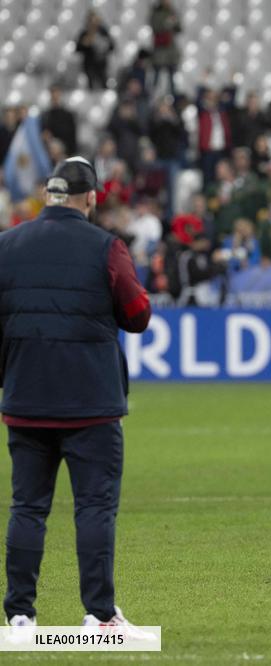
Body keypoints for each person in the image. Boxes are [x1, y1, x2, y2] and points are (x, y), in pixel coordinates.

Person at [0, 158, 152, 632]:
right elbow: (137, 313)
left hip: (25, 396)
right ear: (91, 198)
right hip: (91, 402)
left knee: (27, 507)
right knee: (94, 508)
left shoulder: (6, 244)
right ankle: (100, 614)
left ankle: (20, 614)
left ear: (48, 194)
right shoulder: (107, 247)